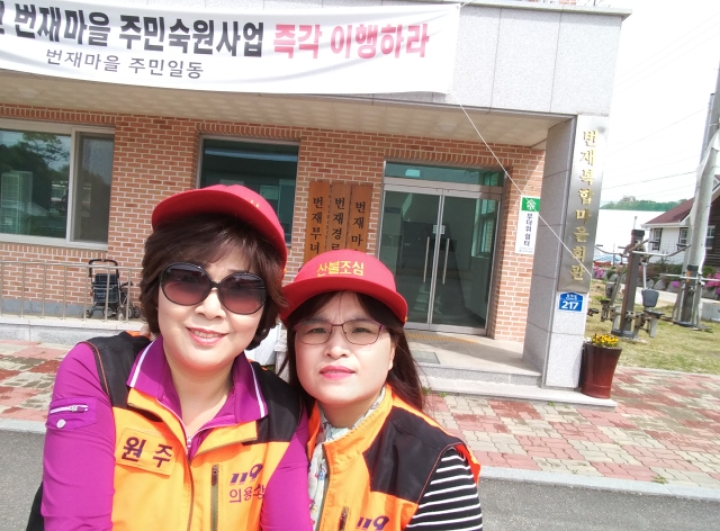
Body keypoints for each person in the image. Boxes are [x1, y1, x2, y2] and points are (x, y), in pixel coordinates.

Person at [40, 185, 313, 531]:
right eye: (187, 280)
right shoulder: (98, 372)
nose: (211, 309)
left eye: (241, 290)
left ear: (263, 311)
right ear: (156, 289)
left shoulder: (283, 412)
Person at [280, 249, 483, 531]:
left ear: (392, 351)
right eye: (316, 330)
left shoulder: (434, 467)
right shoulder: (267, 432)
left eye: (361, 330)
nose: (335, 349)